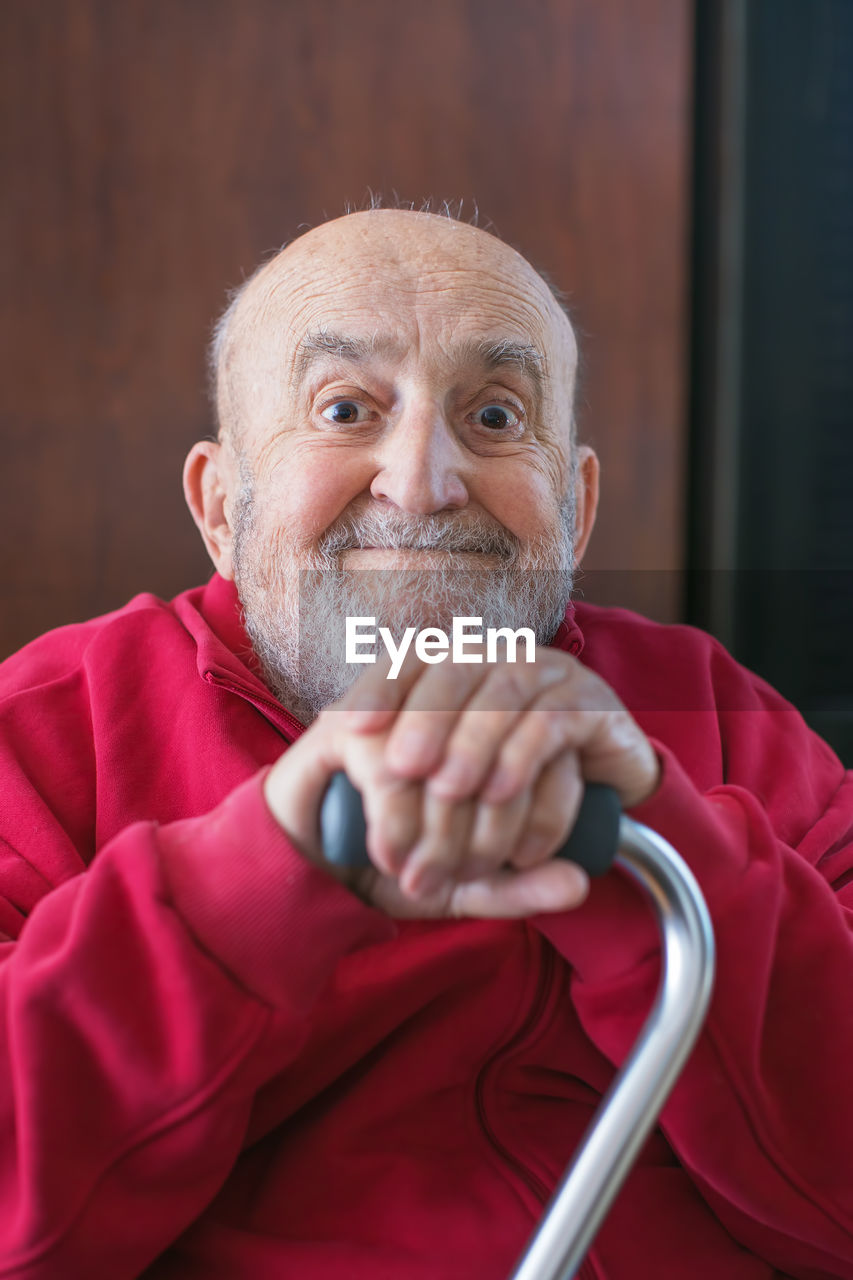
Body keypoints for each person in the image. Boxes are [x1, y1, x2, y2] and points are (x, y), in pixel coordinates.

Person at [0, 208, 851, 1280]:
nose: (424, 479)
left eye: (494, 414)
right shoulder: (43, 730)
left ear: (574, 509)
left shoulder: (716, 715)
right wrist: (262, 868)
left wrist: (653, 835)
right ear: (222, 509)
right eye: (346, 408)